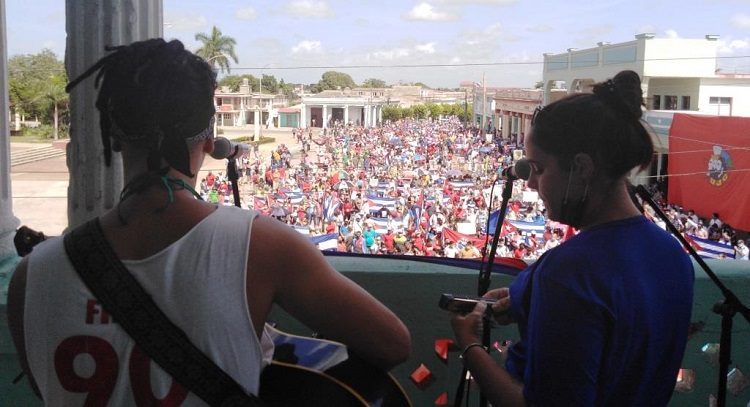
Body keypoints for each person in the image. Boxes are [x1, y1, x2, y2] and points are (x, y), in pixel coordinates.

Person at [7, 39, 410, 405]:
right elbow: (392, 343)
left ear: (111, 134)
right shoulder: (263, 246)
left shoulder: (31, 277)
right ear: (208, 141)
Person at [449, 70, 694, 406]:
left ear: (581, 168)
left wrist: (471, 346)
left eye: (539, 168)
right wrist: (527, 298)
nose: (530, 183)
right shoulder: (673, 253)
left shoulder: (569, 273)